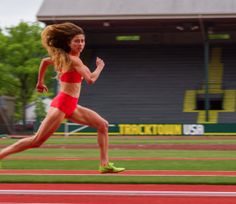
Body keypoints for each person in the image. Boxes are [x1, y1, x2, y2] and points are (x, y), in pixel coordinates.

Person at [0, 22, 125, 173]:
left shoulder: (63, 57)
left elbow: (44, 61)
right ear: (69, 43)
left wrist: (40, 82)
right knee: (36, 141)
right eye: (76, 41)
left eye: (82, 41)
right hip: (61, 106)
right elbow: (91, 80)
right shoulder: (74, 60)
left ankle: (104, 165)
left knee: (103, 125)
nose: (80, 44)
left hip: (71, 105)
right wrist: (100, 67)